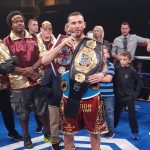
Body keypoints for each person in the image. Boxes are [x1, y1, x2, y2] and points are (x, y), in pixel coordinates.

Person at [41, 11, 108, 150]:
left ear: (84, 24)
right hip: (69, 96)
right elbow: (44, 60)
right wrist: (60, 46)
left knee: (95, 133)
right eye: (73, 23)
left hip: (91, 95)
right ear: (68, 25)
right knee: (68, 133)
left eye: (79, 22)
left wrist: (102, 74)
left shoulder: (93, 44)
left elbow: (104, 65)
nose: (76, 26)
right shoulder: (61, 42)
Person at [3, 10, 50, 149]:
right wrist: (28, 72)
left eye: (21, 21)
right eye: (16, 21)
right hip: (18, 84)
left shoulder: (35, 38)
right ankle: (26, 137)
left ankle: (48, 134)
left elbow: (44, 55)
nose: (19, 23)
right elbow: (6, 65)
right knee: (22, 114)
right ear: (11, 25)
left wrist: (33, 68)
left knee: (42, 111)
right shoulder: (5, 42)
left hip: (37, 80)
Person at [114, 51, 143, 140]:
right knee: (115, 114)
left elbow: (140, 82)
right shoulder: (116, 69)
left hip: (129, 97)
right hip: (118, 96)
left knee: (132, 116)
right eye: (121, 59)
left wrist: (135, 95)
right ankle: (111, 130)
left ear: (129, 60)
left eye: (124, 59)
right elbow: (112, 80)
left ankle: (135, 133)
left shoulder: (132, 70)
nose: (122, 61)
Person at [0, 41, 23, 142]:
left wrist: (8, 65)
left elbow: (9, 60)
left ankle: (12, 131)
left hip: (3, 84)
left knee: (7, 110)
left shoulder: (1, 44)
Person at [27, 18, 43, 134]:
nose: (36, 27)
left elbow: (43, 56)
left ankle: (45, 125)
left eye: (37, 25)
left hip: (40, 73)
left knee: (41, 102)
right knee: (33, 104)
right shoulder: (24, 39)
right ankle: (39, 125)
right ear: (29, 26)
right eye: (34, 25)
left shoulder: (40, 38)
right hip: (27, 75)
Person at [100, 46, 115, 138]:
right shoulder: (96, 65)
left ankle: (111, 132)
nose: (103, 55)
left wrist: (97, 77)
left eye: (105, 53)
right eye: (102, 53)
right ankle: (101, 130)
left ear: (108, 55)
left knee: (109, 114)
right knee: (99, 114)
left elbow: (108, 79)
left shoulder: (111, 65)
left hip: (108, 94)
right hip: (97, 93)